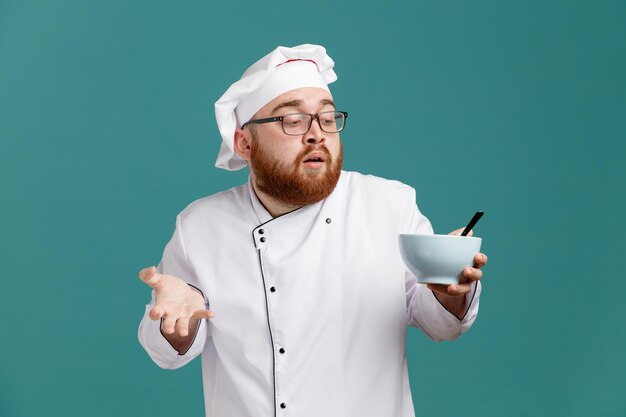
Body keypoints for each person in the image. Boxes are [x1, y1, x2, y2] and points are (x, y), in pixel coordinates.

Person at [138, 44, 488, 417]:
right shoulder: (200, 226)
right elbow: (165, 353)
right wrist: (177, 323)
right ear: (244, 143)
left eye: (326, 118)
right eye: (292, 121)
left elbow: (441, 325)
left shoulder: (389, 205)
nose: (316, 134)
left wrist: (449, 289)